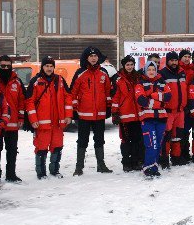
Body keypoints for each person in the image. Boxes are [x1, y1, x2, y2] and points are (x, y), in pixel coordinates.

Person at [25, 57, 72, 179]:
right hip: (42, 123)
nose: (49, 68)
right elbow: (29, 102)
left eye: (51, 66)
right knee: (41, 148)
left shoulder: (60, 80)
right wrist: (33, 119)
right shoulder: (35, 81)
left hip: (58, 123)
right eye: (47, 66)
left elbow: (68, 98)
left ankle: (54, 170)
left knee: (57, 147)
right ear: (42, 67)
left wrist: (68, 115)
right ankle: (41, 173)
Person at [70, 46, 113, 175]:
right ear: (86, 58)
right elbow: (73, 93)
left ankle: (101, 165)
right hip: (84, 115)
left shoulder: (104, 73)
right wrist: (74, 110)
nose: (93, 58)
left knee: (100, 140)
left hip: (99, 115)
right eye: (91, 56)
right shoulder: (80, 73)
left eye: (95, 56)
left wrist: (108, 108)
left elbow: (108, 92)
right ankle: (79, 167)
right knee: (82, 141)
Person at [0, 55, 26, 182]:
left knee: (12, 151)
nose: (5, 68)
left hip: (12, 123)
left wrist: (21, 118)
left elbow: (22, 101)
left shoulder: (17, 82)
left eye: (8, 66)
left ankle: (11, 174)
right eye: (3, 66)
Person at [135, 61, 171, 177]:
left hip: (161, 118)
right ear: (145, 70)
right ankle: (148, 167)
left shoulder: (162, 82)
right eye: (149, 69)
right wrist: (160, 102)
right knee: (151, 144)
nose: (151, 72)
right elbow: (142, 100)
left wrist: (153, 96)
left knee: (159, 144)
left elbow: (168, 96)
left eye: (153, 69)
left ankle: (154, 166)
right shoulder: (140, 84)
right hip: (147, 119)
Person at [112, 55, 144, 172]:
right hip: (125, 115)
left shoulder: (139, 77)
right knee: (126, 140)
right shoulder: (118, 79)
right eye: (127, 65)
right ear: (123, 66)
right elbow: (115, 97)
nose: (129, 67)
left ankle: (136, 161)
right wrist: (115, 113)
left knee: (137, 139)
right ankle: (126, 162)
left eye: (131, 64)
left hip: (138, 115)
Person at [158, 51, 189, 167]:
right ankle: (164, 158)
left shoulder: (182, 72)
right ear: (167, 61)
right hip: (168, 111)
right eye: (172, 60)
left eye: (176, 60)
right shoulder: (162, 74)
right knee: (166, 137)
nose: (174, 62)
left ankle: (176, 157)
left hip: (180, 111)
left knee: (178, 136)